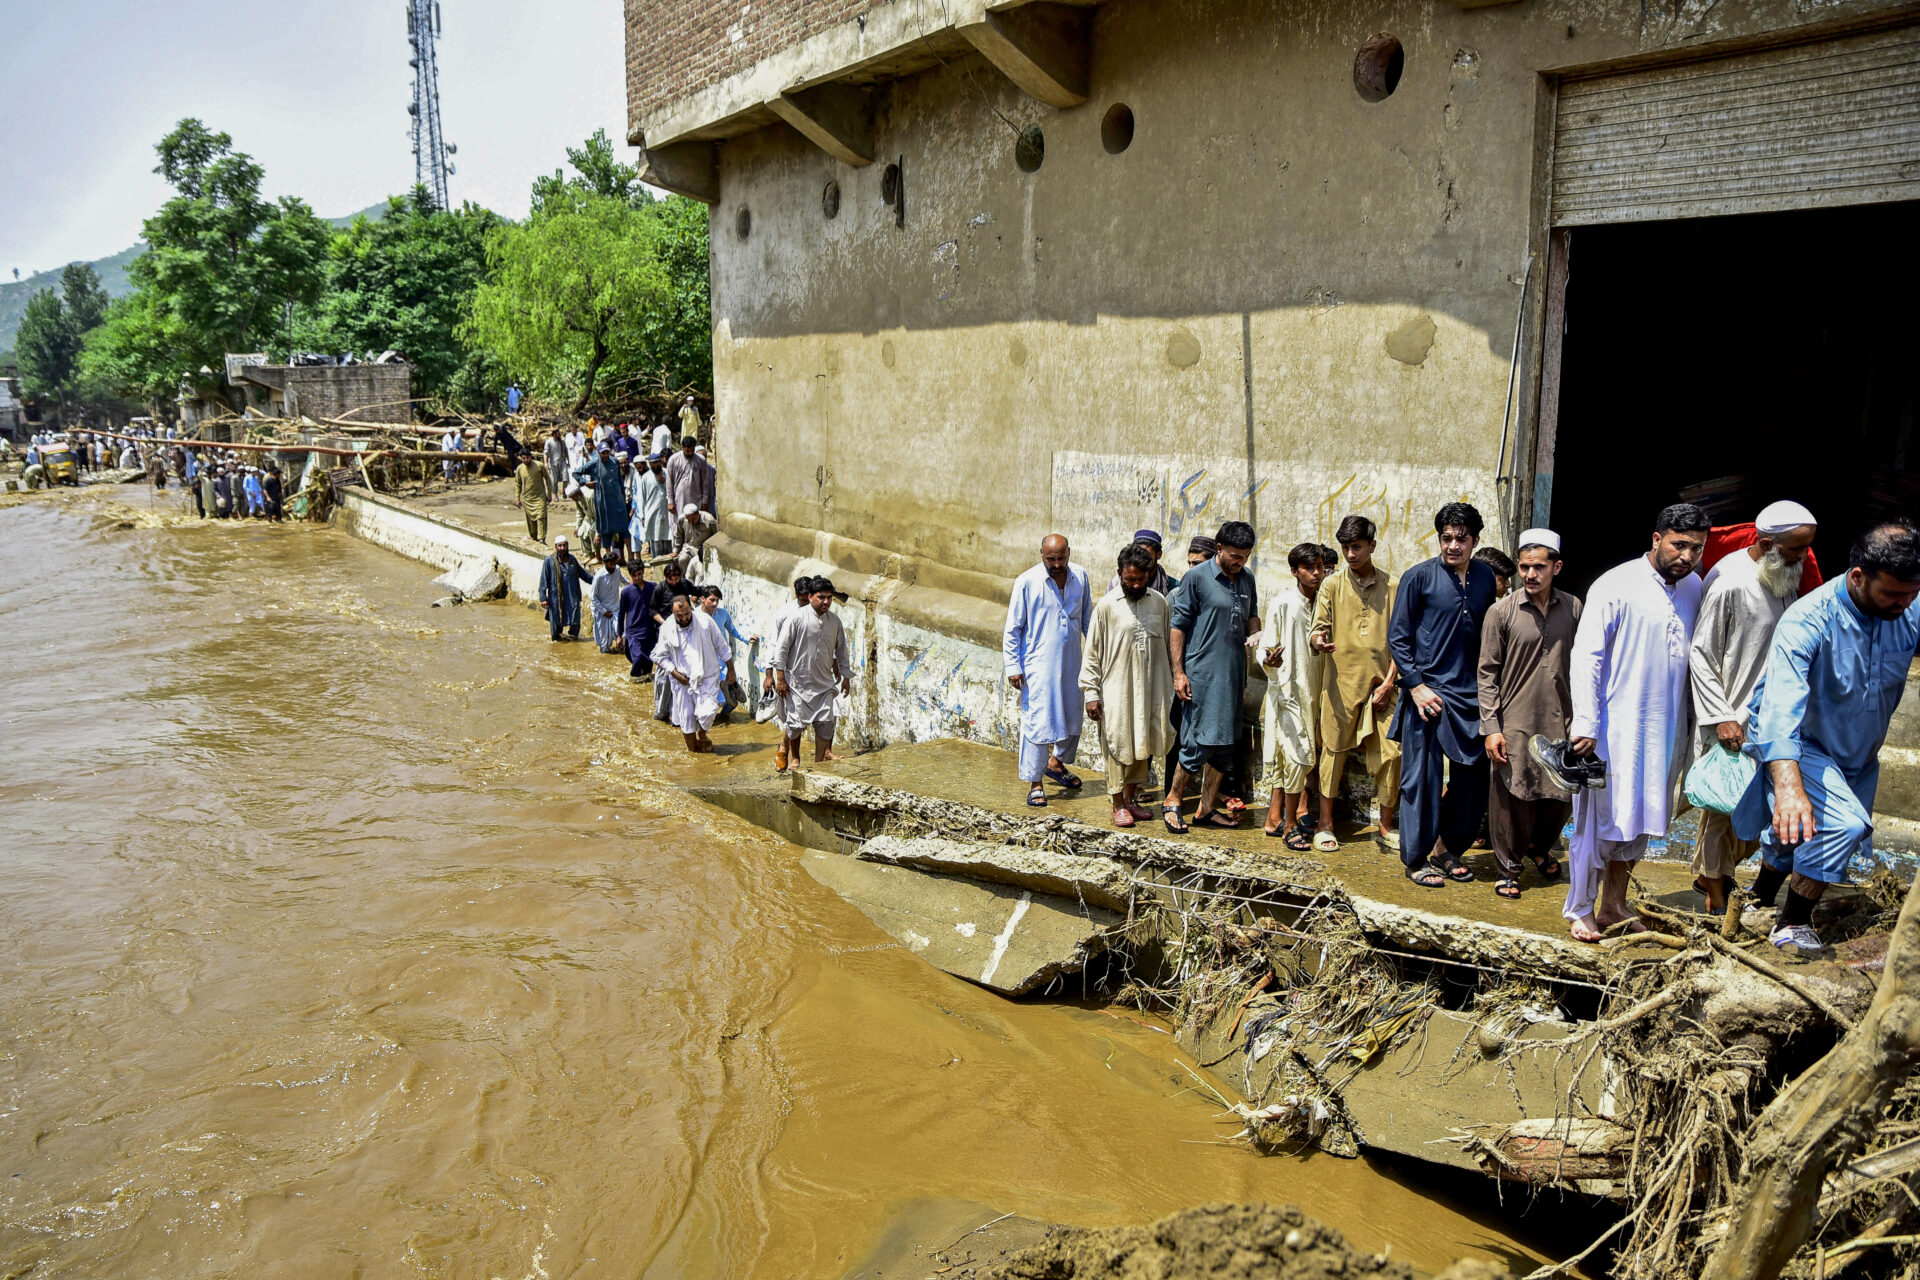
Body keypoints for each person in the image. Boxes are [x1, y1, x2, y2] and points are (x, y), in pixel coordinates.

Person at [1732, 521, 1920, 953]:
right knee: (1841, 824)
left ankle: (1758, 901)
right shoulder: (1807, 619)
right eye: (1893, 595)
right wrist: (1788, 783)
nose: (1904, 604)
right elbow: (1779, 710)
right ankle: (1792, 923)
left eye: (1912, 595)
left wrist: (1904, 600)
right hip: (1802, 743)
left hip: (1858, 750)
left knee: (1794, 831)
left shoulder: (1907, 605)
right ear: (1858, 577)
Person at [1544, 503, 1709, 943]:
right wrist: (1585, 721)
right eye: (1679, 545)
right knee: (1596, 824)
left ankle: (1614, 905)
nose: (1687, 556)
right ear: (1656, 539)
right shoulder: (1615, 584)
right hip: (1612, 731)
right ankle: (1580, 908)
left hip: (1665, 730)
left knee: (1639, 823)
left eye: (1696, 547)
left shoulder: (1694, 587)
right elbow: (1587, 656)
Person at [1688, 500, 1817, 912]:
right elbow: (1701, 654)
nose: (1803, 558)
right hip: (1730, 715)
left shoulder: (1783, 576)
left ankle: (1712, 876)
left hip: (1768, 717)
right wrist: (1722, 717)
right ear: (1766, 543)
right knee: (1722, 811)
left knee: (1750, 809)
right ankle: (1715, 892)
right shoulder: (1729, 581)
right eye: (1796, 550)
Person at [1390, 503, 1500, 887]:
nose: (1453, 545)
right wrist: (1416, 686)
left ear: (1475, 541)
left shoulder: (1486, 577)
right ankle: (1416, 859)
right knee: (1422, 779)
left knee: (1472, 781)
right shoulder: (1418, 577)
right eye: (1447, 538)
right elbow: (1398, 638)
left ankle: (1447, 849)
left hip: (1471, 697)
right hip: (1428, 696)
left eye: (1461, 539)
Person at [1477, 529, 1581, 900]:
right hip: (1514, 721)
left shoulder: (1573, 607)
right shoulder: (1501, 611)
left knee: (1561, 796)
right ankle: (1508, 868)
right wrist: (1491, 727)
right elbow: (1487, 672)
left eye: (1539, 566)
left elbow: (1585, 666)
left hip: (1562, 719)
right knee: (1511, 797)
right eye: (1524, 567)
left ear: (1557, 566)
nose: (1531, 574)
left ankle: (1540, 848)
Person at [1310, 516, 1399, 853]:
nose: (1350, 553)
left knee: (1392, 754)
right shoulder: (1331, 585)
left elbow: (1402, 642)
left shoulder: (1393, 587)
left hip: (1382, 687)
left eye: (1357, 546)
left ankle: (1386, 825)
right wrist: (1319, 640)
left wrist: (1390, 682)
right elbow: (1318, 628)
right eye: (1345, 547)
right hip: (1340, 684)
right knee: (1332, 752)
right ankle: (1325, 824)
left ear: (1372, 546)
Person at [1167, 521, 1261, 832]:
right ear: (1219, 549)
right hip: (1202, 674)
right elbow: (1177, 627)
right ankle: (1173, 800)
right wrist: (1179, 673)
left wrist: (1258, 635)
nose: (1240, 562)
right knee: (1199, 741)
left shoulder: (1246, 578)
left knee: (1224, 746)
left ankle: (1206, 809)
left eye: (1245, 556)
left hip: (1234, 675)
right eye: (1235, 555)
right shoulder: (1196, 578)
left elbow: (1251, 617)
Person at [1081, 544, 1176, 828]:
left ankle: (1132, 799)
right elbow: (1092, 653)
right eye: (1129, 579)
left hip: (1150, 689)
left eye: (1140, 579)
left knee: (1142, 741)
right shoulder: (1107, 606)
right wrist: (1090, 692)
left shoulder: (1160, 602)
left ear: (1149, 574)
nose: (1135, 584)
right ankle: (1117, 803)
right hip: (1116, 690)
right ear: (1120, 574)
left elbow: (1167, 648)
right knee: (1116, 742)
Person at [1004, 535, 1092, 806]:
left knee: (1072, 717)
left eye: (1061, 558)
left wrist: (1094, 660)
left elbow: (1088, 620)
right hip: (1037, 666)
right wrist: (1013, 666)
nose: (1056, 564)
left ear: (1069, 554)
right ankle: (1035, 782)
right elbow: (1013, 629)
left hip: (1073, 663)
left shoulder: (1080, 577)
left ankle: (1056, 763)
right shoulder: (1027, 582)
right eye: (1050, 559)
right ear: (1041, 554)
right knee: (1039, 722)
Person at [1259, 542, 1327, 849]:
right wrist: (1269, 659)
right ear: (1294, 572)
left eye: (1319, 567)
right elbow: (1265, 646)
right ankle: (1289, 824)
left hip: (1317, 692)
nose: (1316, 574)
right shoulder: (1282, 603)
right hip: (1288, 692)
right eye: (1309, 568)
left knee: (1299, 757)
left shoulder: (1326, 603)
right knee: (1296, 757)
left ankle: (1278, 819)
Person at [772, 577, 852, 763]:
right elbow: (781, 649)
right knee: (795, 726)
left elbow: (841, 651)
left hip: (824, 684)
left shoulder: (835, 622)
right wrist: (780, 678)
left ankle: (818, 766)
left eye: (829, 598)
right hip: (798, 684)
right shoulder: (795, 619)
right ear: (810, 597)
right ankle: (795, 758)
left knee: (825, 725)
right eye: (821, 597)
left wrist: (846, 676)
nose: (826, 602)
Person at [653, 589, 731, 752]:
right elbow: (660, 656)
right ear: (674, 614)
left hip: (707, 677)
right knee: (687, 720)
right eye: (679, 616)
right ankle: (693, 752)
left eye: (686, 614)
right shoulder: (667, 628)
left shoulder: (705, 621)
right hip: (682, 682)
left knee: (708, 713)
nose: (684, 618)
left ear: (691, 609)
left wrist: (732, 670)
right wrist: (675, 674)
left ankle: (702, 734)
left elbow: (722, 646)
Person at [765, 576, 817, 768]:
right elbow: (774, 644)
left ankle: (784, 746)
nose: (807, 603)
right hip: (787, 672)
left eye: (809, 599)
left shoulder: (819, 612)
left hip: (813, 671)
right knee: (794, 715)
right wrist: (771, 675)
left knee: (812, 715)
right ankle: (791, 754)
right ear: (797, 596)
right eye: (803, 600)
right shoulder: (785, 614)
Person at [572, 441, 630, 558]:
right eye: (603, 453)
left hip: (617, 503)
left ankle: (629, 557)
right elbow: (576, 473)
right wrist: (586, 483)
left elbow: (619, 481)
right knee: (605, 531)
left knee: (624, 530)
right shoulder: (594, 464)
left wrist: (623, 498)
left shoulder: (614, 462)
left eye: (607, 452)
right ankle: (609, 557)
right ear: (598, 452)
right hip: (603, 504)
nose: (605, 455)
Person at [665, 436, 717, 549]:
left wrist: (704, 500)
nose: (689, 452)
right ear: (682, 447)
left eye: (692, 450)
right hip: (679, 500)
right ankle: (678, 553)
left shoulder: (700, 460)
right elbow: (669, 482)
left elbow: (705, 482)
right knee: (679, 525)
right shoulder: (673, 460)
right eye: (687, 450)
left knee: (695, 526)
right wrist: (670, 501)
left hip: (696, 499)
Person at [617, 560, 661, 681]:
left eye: (639, 574)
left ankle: (643, 684)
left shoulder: (653, 588)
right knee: (637, 659)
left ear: (643, 573)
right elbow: (621, 614)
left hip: (649, 632)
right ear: (630, 576)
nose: (637, 577)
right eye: (634, 575)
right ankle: (633, 682)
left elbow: (659, 608)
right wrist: (619, 635)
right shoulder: (626, 592)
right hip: (633, 633)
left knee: (648, 664)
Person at [539, 535, 589, 642]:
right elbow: (544, 580)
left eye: (564, 545)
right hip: (556, 598)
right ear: (556, 547)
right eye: (560, 546)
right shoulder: (549, 561)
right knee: (556, 627)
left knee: (575, 622)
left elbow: (584, 575)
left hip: (572, 597)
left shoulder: (572, 560)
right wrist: (543, 598)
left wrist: (598, 581)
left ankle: (574, 645)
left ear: (568, 546)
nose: (562, 548)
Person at [1106, 529, 1174, 597]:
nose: (1142, 559)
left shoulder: (1172, 587)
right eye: (1138, 554)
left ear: (1159, 554)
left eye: (1147, 555)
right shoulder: (1116, 583)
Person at [630, 452, 672, 560]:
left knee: (668, 537)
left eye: (656, 463)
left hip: (667, 513)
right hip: (652, 513)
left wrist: (664, 481)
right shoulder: (645, 477)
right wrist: (643, 516)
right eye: (652, 464)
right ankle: (657, 565)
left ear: (660, 462)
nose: (654, 466)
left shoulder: (668, 474)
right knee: (655, 537)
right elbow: (642, 498)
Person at [589, 551, 627, 653]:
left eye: (615, 563)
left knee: (621, 634)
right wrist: (604, 611)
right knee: (605, 643)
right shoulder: (599, 576)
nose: (613, 566)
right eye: (611, 564)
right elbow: (593, 597)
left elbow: (624, 581)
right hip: (601, 611)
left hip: (615, 609)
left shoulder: (617, 570)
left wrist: (634, 586)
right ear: (605, 563)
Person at [514, 451, 550, 544]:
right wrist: (517, 498)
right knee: (530, 520)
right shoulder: (519, 469)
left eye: (527, 458)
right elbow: (518, 484)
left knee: (541, 517)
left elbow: (547, 479)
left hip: (540, 496)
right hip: (527, 498)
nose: (525, 460)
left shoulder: (539, 465)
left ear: (531, 457)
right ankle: (534, 538)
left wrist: (549, 494)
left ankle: (542, 539)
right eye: (523, 458)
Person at [543, 428, 569, 505]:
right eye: (558, 433)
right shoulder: (549, 442)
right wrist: (545, 463)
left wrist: (568, 461)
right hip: (553, 463)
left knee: (566, 478)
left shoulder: (562, 442)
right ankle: (556, 495)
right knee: (554, 481)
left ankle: (564, 490)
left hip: (562, 462)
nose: (559, 434)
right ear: (554, 434)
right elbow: (545, 453)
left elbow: (566, 452)